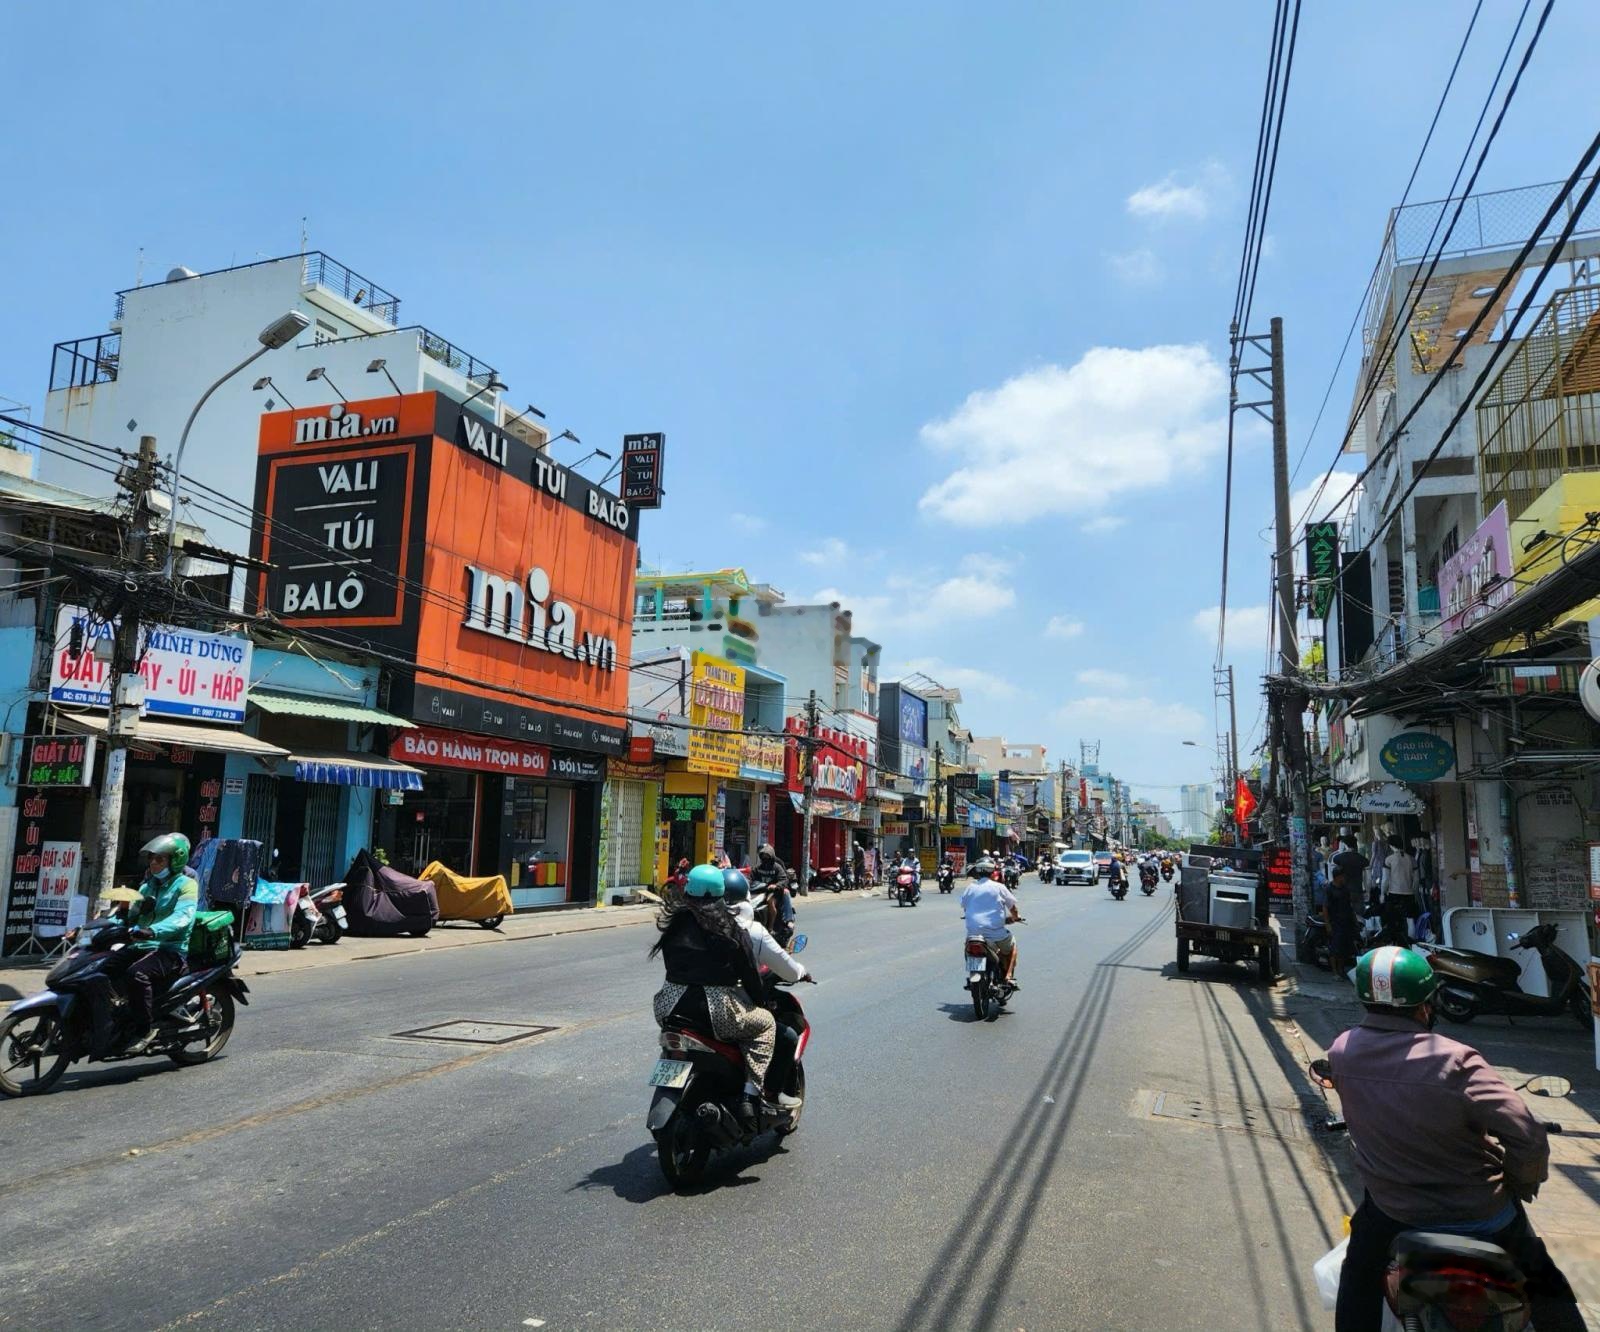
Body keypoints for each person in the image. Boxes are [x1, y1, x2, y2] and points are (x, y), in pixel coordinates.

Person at [1329, 946, 1583, 1331]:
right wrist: (1520, 1181)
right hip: (1481, 1213)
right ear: (1425, 1005)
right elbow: (1528, 1135)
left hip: (1393, 1211)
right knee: (1545, 1283)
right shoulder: (1456, 1060)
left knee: (1358, 1277)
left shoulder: (1342, 1051)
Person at [649, 863, 788, 1126]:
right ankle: (750, 1095)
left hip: (669, 1007)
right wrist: (761, 1003)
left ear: (687, 891)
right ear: (721, 894)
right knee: (766, 1025)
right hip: (716, 1012)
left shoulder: (674, 926)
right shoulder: (731, 929)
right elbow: (750, 974)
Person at [84, 832, 199, 1057]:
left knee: (136, 974)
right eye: (151, 859)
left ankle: (144, 1030)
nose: (153, 863)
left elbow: (183, 917)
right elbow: (130, 916)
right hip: (141, 946)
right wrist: (96, 926)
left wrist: (153, 930)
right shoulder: (147, 887)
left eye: (159, 859)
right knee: (99, 970)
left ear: (175, 860)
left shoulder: (187, 885)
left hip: (169, 950)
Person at [960, 860, 1021, 986]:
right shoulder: (999, 887)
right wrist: (1015, 917)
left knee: (968, 949)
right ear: (993, 873)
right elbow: (1013, 909)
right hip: (996, 935)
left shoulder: (970, 887)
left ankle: (973, 972)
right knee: (1012, 945)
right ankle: (1008, 976)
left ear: (977, 873)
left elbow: (965, 907)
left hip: (973, 934)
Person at [1322, 865, 1362, 978]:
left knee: (1344, 948)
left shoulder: (1345, 889)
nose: (1344, 878)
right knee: (1335, 948)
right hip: (1335, 922)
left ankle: (1341, 969)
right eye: (1343, 876)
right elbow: (1325, 907)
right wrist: (1328, 924)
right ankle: (1335, 971)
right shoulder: (1329, 889)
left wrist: (1354, 921)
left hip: (1346, 921)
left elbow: (1349, 906)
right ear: (1338, 877)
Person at [1381, 834, 1417, 942]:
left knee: (1393, 920)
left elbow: (1385, 879)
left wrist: (1382, 893)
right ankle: (1412, 942)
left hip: (1394, 893)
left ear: (1391, 845)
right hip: (1409, 893)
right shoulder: (1412, 859)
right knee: (1410, 919)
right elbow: (1416, 879)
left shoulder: (1389, 859)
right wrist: (1414, 891)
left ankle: (1395, 942)